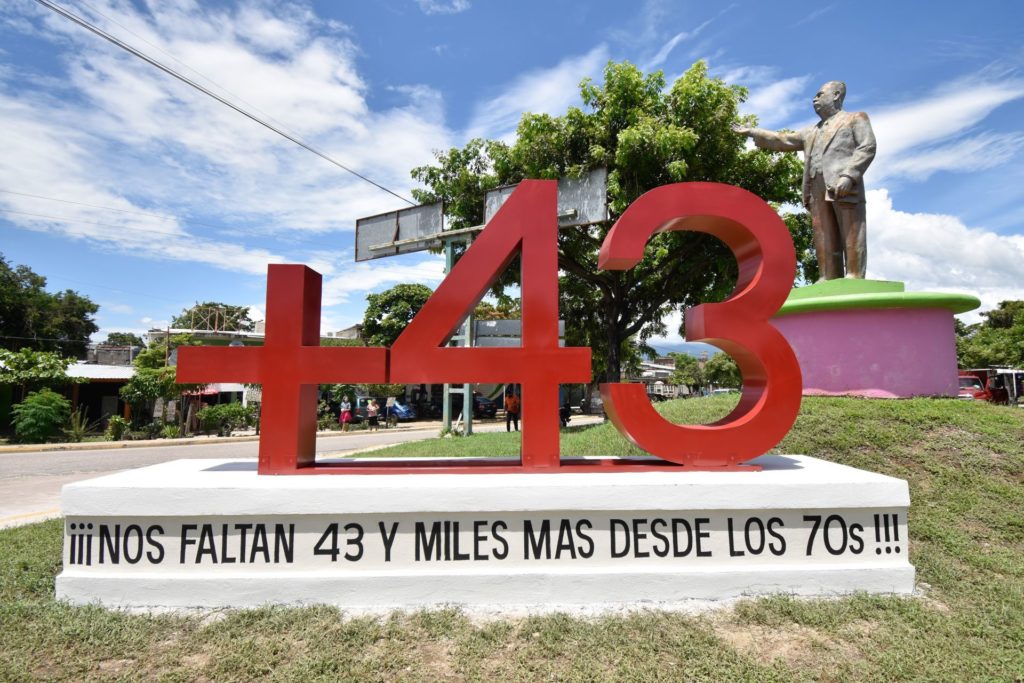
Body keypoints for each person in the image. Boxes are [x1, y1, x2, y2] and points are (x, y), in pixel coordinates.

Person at [733, 80, 876, 280]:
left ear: (836, 95)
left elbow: (867, 147)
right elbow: (783, 139)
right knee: (823, 234)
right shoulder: (811, 131)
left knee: (851, 232)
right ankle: (828, 276)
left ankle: (854, 275)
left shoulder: (855, 119)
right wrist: (752, 132)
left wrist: (849, 175)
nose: (814, 99)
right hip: (815, 188)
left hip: (843, 184)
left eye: (820, 94)